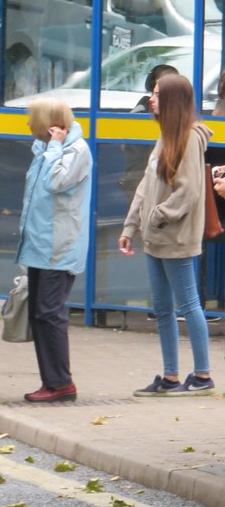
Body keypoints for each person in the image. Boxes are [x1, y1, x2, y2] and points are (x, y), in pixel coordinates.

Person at [121, 74, 215, 396]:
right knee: (162, 308)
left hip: (175, 238)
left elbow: (187, 193)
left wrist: (157, 218)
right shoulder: (165, 137)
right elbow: (147, 186)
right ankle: (171, 377)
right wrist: (131, 226)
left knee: (189, 305)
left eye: (157, 94)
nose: (151, 99)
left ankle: (202, 376)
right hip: (155, 238)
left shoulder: (189, 140)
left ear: (173, 101)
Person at [17, 97, 92, 403]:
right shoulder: (46, 149)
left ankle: (61, 383)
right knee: (39, 315)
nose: (27, 123)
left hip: (58, 248)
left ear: (49, 124)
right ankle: (51, 381)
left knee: (50, 314)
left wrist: (54, 148)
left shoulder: (76, 151)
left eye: (32, 118)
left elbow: (55, 182)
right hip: (40, 246)